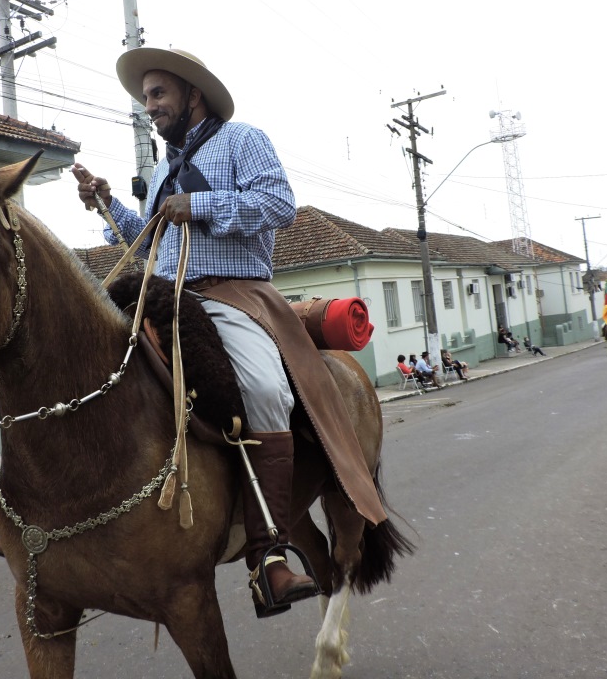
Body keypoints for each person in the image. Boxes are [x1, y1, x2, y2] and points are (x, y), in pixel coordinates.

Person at [72, 47, 387, 617]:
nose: (151, 107)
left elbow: (278, 205)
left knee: (266, 392)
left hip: (233, 294)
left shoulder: (244, 140)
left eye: (159, 94)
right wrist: (105, 203)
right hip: (166, 295)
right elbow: (148, 238)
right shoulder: (165, 168)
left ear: (193, 94)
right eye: (146, 98)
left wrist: (201, 204)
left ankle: (269, 555)